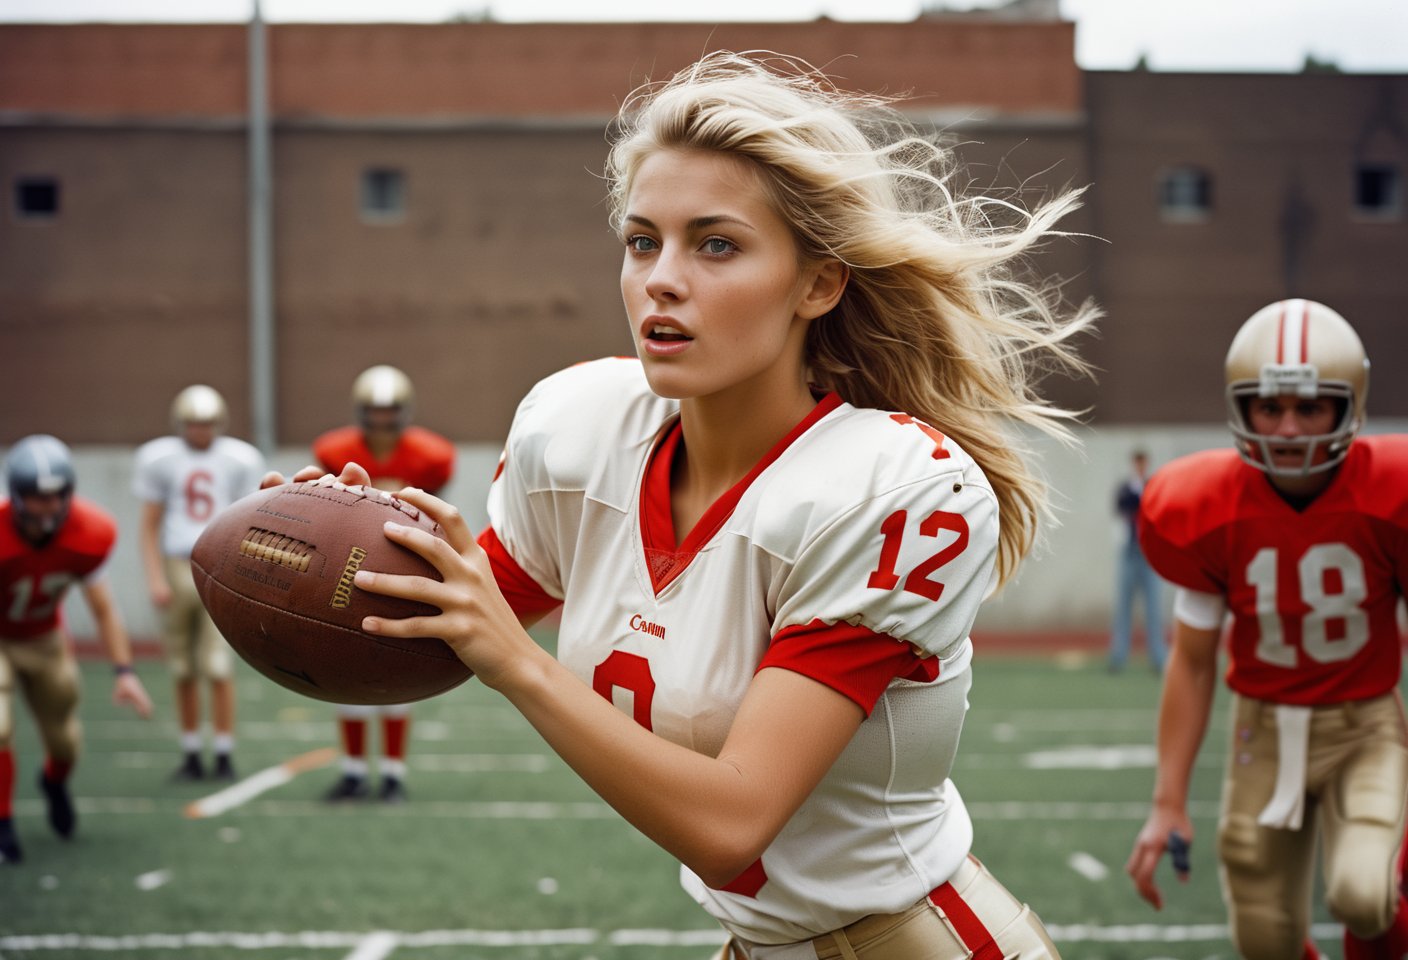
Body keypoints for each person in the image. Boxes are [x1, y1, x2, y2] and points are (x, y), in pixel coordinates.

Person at [273, 52, 1097, 958]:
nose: (661, 279)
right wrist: (332, 552)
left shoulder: (894, 487)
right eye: (641, 241)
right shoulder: (579, 426)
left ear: (818, 285)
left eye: (716, 244)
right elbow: (441, 631)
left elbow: (733, 821)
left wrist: (519, 662)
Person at [1126, 298, 1408, 960]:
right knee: (1264, 939)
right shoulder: (1204, 505)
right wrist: (1168, 801)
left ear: (1349, 407)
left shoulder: (1389, 490)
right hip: (1264, 732)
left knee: (1362, 893)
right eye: (1269, 406)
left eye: (1310, 407)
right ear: (1239, 405)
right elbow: (1192, 663)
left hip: (1364, 728)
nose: (1287, 429)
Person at [1, 435, 153, 864]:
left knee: (65, 740)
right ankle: (4, 824)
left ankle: (53, 782)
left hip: (45, 638)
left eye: (56, 496)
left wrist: (124, 672)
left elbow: (103, 609)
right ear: (16, 494)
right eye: (36, 497)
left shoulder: (90, 532)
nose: (48, 508)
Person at [312, 364, 455, 803]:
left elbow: (434, 517)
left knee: (395, 666)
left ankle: (392, 772)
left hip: (402, 565)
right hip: (346, 566)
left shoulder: (431, 455)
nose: (381, 421)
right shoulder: (335, 450)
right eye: (374, 412)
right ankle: (353, 770)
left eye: (389, 411)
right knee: (343, 666)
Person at [134, 385, 265, 781]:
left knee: (218, 665)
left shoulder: (240, 459)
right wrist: (155, 577)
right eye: (193, 423)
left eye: (206, 423)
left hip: (221, 566)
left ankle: (223, 751)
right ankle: (191, 750)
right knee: (182, 667)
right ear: (181, 424)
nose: (200, 431)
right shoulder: (160, 459)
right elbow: (149, 525)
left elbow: (252, 520)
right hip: (178, 565)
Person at [1108, 449, 1167, 673]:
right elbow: (1123, 507)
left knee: (1153, 609)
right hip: (1129, 552)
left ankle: (1159, 658)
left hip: (1149, 554)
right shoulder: (1126, 488)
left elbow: (1156, 509)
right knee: (1123, 607)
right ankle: (1118, 656)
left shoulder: (1153, 485)